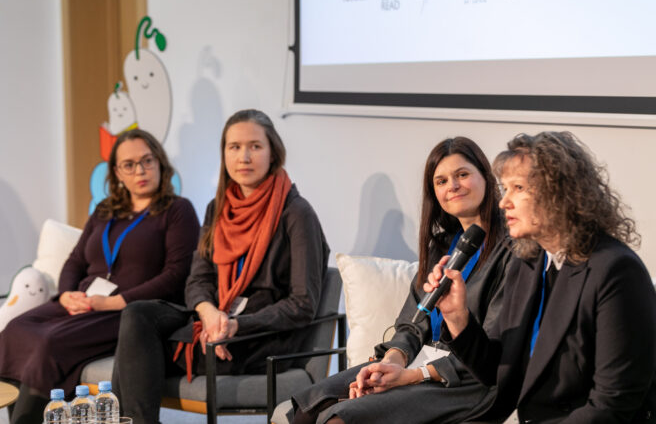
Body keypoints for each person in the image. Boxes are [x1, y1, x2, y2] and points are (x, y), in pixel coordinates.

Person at [112, 109, 330, 424]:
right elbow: (197, 280)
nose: (244, 156)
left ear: (273, 154)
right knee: (137, 316)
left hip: (262, 334)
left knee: (137, 354)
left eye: (255, 146)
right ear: (224, 154)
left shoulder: (296, 213)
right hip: (219, 319)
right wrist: (210, 314)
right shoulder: (218, 207)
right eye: (234, 147)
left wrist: (236, 325)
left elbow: (302, 304)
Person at [434, 131, 656, 423]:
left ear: (559, 193)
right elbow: (498, 371)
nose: (504, 202)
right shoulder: (529, 263)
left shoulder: (615, 271)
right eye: (505, 188)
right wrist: (457, 317)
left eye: (518, 188)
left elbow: (612, 405)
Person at [292, 137, 513, 424]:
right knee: (306, 408)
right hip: (418, 363)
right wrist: (390, 363)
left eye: (462, 175)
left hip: (467, 380)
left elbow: (493, 347)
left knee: (340, 419)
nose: (453, 186)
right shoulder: (441, 247)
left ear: (485, 176)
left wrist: (410, 376)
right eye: (442, 181)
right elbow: (412, 323)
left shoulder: (511, 250)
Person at [0, 129, 200, 424]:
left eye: (147, 160)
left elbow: (176, 274)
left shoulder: (177, 210)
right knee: (15, 329)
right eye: (129, 165)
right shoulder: (106, 211)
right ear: (117, 172)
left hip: (128, 311)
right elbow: (75, 260)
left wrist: (112, 303)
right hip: (82, 303)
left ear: (160, 163)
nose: (140, 170)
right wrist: (67, 294)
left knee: (48, 341)